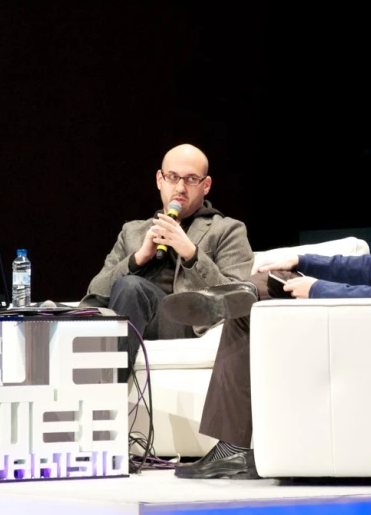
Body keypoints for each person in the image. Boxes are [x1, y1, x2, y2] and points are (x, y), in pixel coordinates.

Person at [160, 119, 371, 479]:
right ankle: (245, 293)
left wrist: (315, 290)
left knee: (246, 311)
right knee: (259, 296)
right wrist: (304, 261)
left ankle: (233, 445)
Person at [79, 143, 254, 383]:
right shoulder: (132, 232)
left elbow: (237, 299)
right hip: (135, 321)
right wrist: (137, 259)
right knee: (130, 286)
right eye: (173, 177)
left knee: (132, 287)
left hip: (187, 323)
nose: (180, 187)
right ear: (160, 179)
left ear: (206, 185)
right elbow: (95, 293)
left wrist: (192, 254)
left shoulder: (228, 230)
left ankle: (107, 389)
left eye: (191, 179)